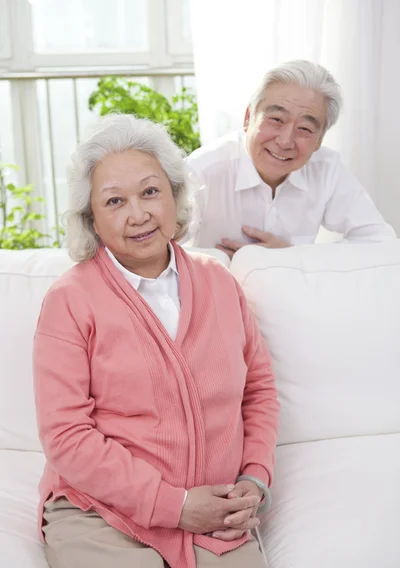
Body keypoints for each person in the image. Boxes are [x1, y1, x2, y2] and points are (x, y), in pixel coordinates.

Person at [33, 114, 279, 568]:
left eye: (150, 191)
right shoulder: (70, 300)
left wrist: (255, 478)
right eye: (114, 201)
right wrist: (177, 506)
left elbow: (259, 391)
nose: (138, 214)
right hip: (101, 516)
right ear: (92, 218)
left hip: (217, 517)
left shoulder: (220, 284)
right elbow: (66, 435)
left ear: (174, 195)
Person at [186, 60, 395, 257]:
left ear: (319, 140)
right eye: (276, 119)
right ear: (248, 118)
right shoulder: (201, 171)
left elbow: (380, 241)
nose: (286, 141)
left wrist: (293, 256)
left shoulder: (326, 168)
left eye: (305, 128)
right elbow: (164, 253)